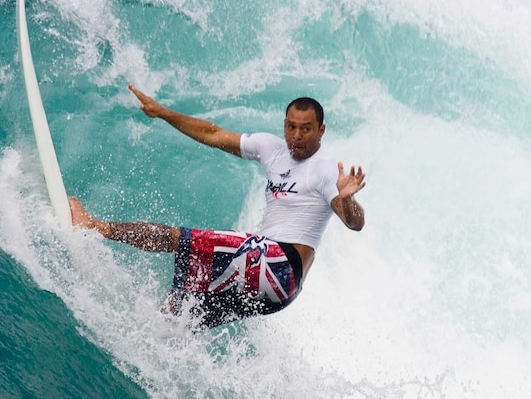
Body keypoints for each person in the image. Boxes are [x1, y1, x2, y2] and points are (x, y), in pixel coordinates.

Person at [69, 84, 366, 329]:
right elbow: (214, 135)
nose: (296, 137)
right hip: (277, 293)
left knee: (181, 239)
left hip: (282, 265)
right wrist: (163, 113)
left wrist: (348, 199)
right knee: (179, 312)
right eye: (291, 127)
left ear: (321, 130)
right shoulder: (271, 148)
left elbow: (355, 223)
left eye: (306, 129)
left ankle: (95, 227)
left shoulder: (326, 170)